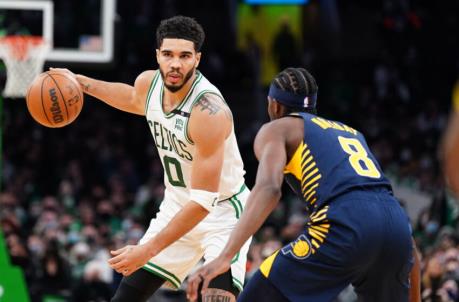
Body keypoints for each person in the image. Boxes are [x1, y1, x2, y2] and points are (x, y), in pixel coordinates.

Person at [52, 15, 251, 302]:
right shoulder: (149, 84)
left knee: (217, 297)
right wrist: (80, 83)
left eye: (184, 56)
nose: (175, 64)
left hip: (221, 212)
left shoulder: (209, 112)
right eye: (168, 54)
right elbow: (132, 98)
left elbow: (203, 202)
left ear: (197, 59)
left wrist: (147, 249)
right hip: (178, 203)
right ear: (157, 55)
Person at [187, 67, 416, 302]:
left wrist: (225, 256)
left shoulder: (277, 128)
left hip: (347, 219)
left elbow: (269, 189)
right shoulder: (352, 133)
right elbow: (403, 242)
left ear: (273, 105)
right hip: (396, 223)